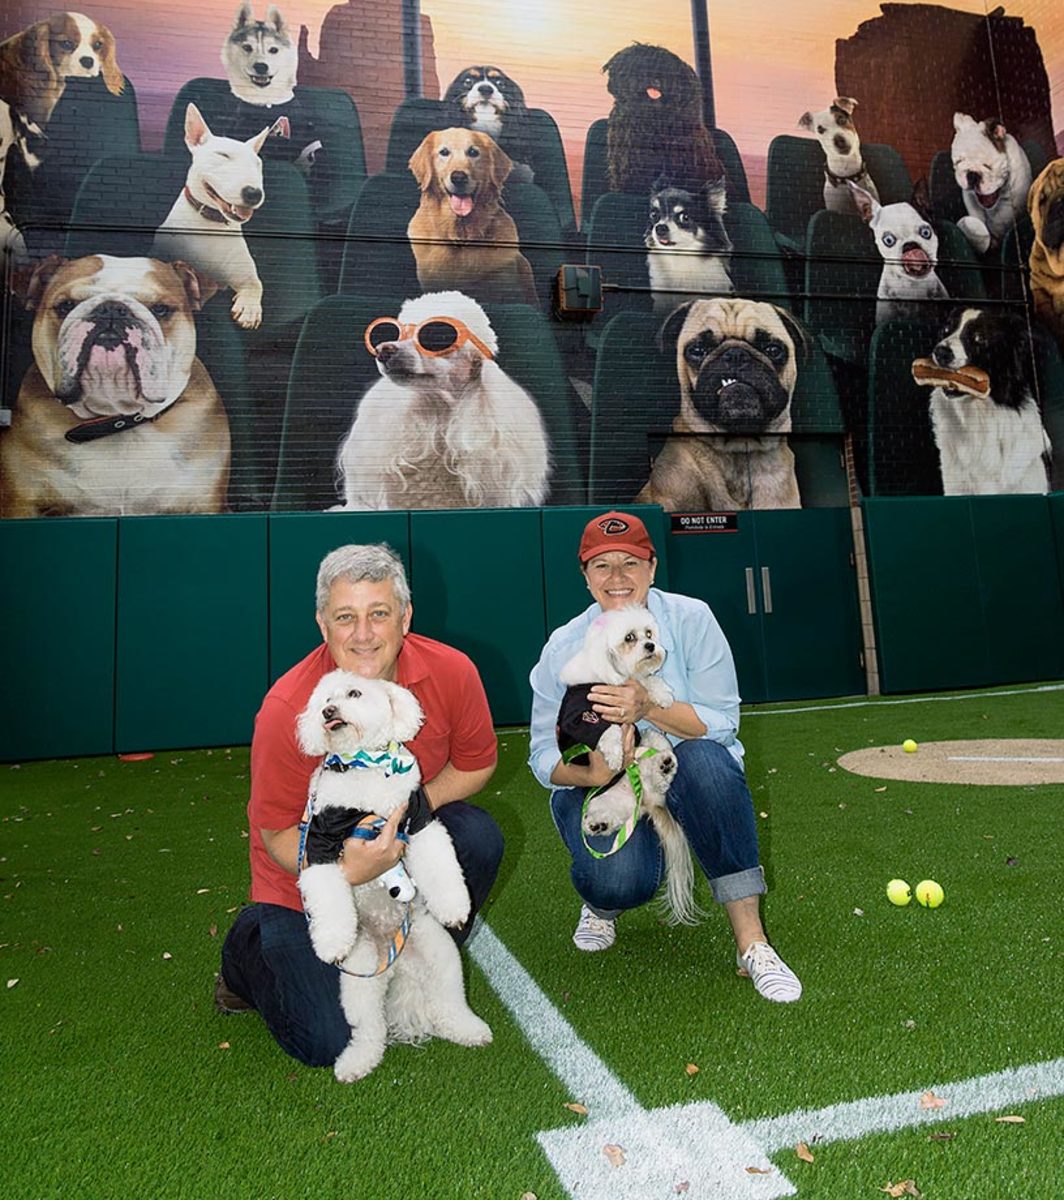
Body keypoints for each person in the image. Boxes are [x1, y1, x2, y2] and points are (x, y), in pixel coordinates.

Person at [216, 543, 504, 1063]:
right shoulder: (289, 708)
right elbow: (276, 835)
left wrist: (402, 816)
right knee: (326, 1040)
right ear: (323, 624)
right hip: (304, 882)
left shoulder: (453, 671)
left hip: (399, 851)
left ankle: (414, 963)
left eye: (379, 614)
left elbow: (477, 762)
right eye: (346, 618)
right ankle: (245, 952)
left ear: (405, 617)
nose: (364, 634)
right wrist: (350, 865)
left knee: (476, 835)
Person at [528, 511, 801, 1002]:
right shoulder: (565, 646)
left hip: (681, 771)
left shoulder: (691, 619)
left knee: (709, 764)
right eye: (602, 566)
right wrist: (591, 770)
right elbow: (542, 754)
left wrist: (650, 705)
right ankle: (601, 905)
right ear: (585, 575)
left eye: (630, 563)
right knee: (618, 880)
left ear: (652, 568)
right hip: (601, 780)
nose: (617, 578)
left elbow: (722, 722)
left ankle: (752, 942)